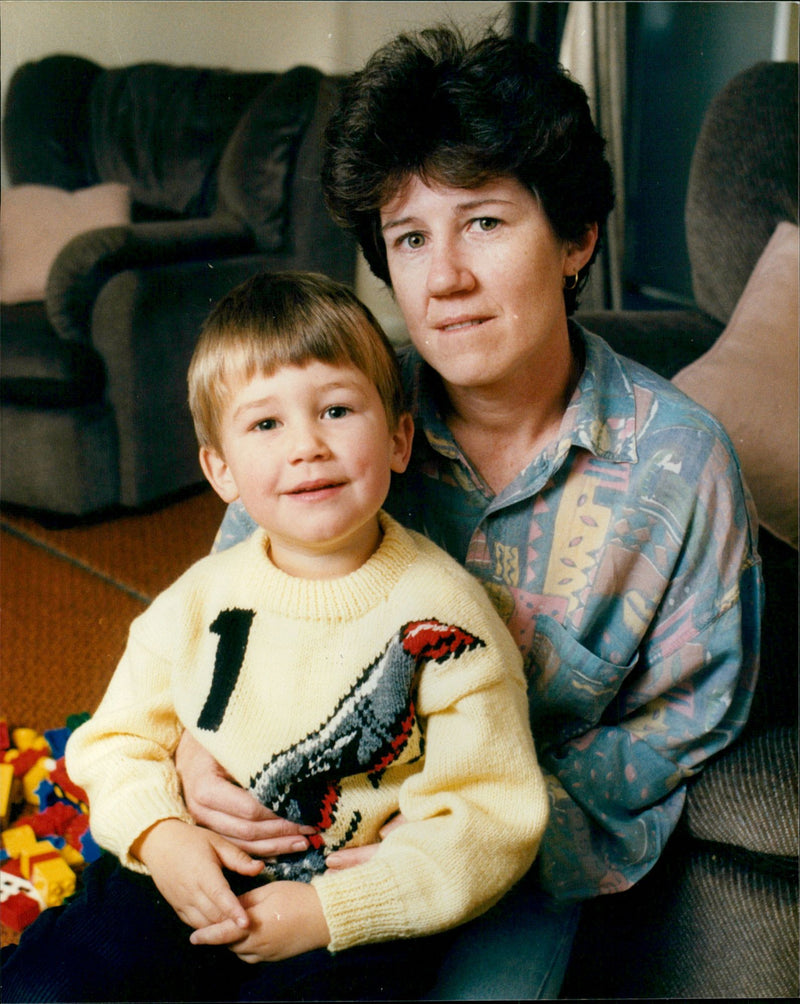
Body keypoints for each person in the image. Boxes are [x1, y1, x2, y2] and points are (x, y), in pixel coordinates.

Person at [176, 25, 763, 1000]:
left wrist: (461, 829)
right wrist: (193, 752)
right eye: (409, 238)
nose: (442, 278)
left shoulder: (678, 465)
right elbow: (223, 620)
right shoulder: (335, 421)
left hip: (515, 857)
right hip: (297, 814)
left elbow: (678, 727)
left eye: (483, 223)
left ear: (574, 238)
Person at [1, 271, 548, 1003]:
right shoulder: (199, 597)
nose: (307, 447)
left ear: (398, 438)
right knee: (48, 983)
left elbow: (488, 816)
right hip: (196, 859)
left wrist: (330, 910)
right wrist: (162, 836)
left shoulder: (447, 615)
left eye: (336, 409)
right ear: (221, 470)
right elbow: (117, 740)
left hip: (349, 906)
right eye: (266, 424)